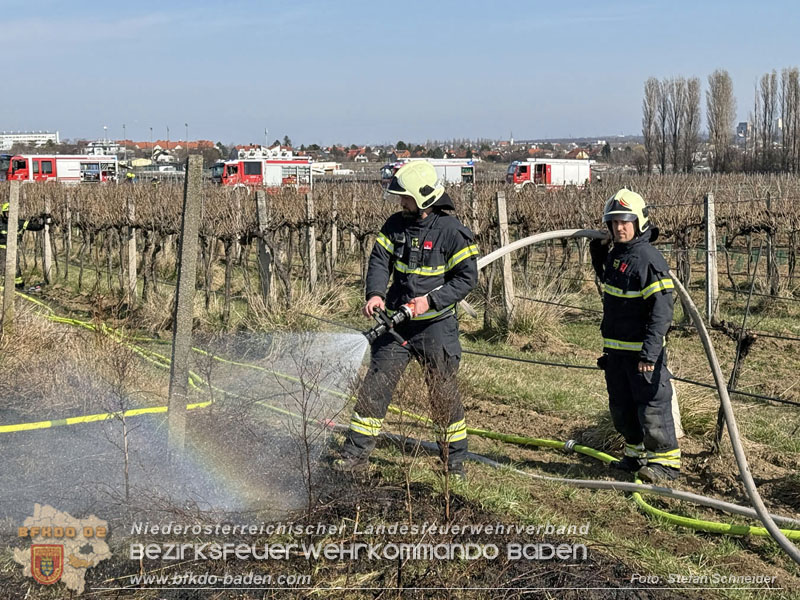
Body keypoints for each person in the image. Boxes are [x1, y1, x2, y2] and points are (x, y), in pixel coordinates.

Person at [333, 161, 479, 479]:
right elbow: (379, 260)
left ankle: (453, 465)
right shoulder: (395, 225)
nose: (401, 203)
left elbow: (467, 278)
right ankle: (355, 457)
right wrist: (375, 294)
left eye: (406, 197)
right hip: (396, 324)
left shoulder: (452, 233)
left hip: (435, 327)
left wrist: (430, 301)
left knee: (443, 393)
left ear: (424, 198)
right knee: (374, 388)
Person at [589, 189, 680, 483]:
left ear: (640, 222)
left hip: (642, 356)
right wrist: (598, 249)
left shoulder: (648, 259)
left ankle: (665, 466)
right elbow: (607, 278)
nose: (619, 228)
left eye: (625, 222)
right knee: (622, 408)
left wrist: (650, 354)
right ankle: (635, 456)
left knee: (652, 408)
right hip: (616, 354)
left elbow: (662, 311)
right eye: (613, 223)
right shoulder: (619, 254)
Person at [0, 203, 49, 289]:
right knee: (4, 267)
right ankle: (4, 286)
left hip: (13, 249)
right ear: (3, 213)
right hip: (2, 249)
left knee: (16, 267)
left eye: (11, 213)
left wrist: (42, 220)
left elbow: (35, 227)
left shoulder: (19, 223)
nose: (9, 216)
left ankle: (18, 285)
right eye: (7, 213)